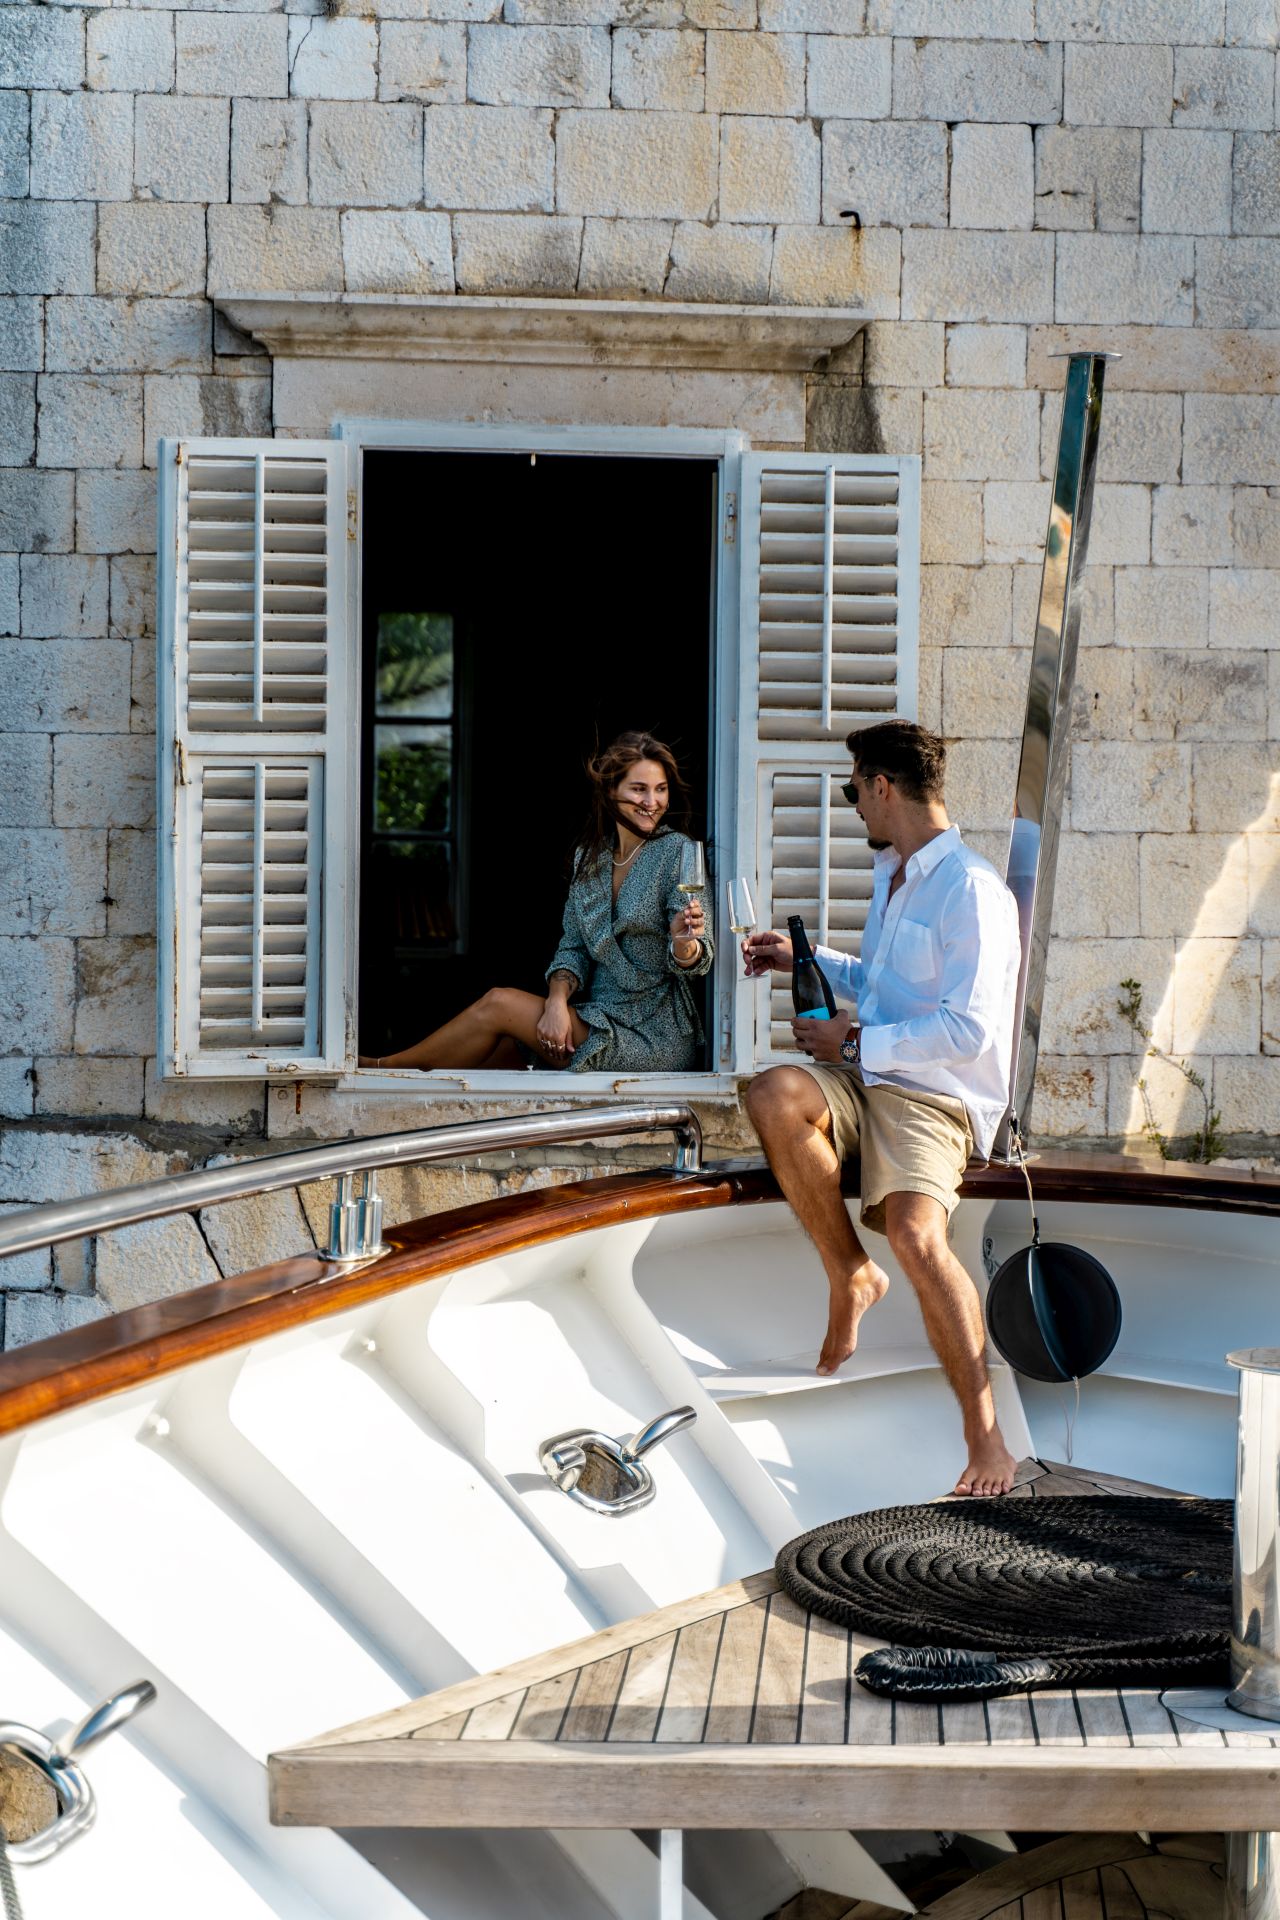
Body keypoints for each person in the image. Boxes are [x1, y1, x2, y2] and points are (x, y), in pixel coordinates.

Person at [743, 719, 1023, 1498]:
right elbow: (886, 983)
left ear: (882, 786)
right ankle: (850, 1274)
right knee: (772, 1093)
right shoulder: (893, 877)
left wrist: (856, 1044)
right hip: (871, 1077)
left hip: (934, 1099)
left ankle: (987, 1438)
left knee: (915, 1233)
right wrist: (804, 959)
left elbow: (967, 1028)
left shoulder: (972, 890)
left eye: (853, 789)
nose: (853, 806)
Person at [365, 731, 713, 1074]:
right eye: (639, 789)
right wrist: (556, 1002)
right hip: (595, 1014)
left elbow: (699, 954)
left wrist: (685, 946)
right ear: (611, 790)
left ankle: (387, 1068)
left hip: (654, 1033)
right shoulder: (590, 860)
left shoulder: (677, 852)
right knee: (497, 1056)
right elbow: (573, 947)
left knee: (499, 1003)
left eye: (660, 790)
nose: (651, 802)